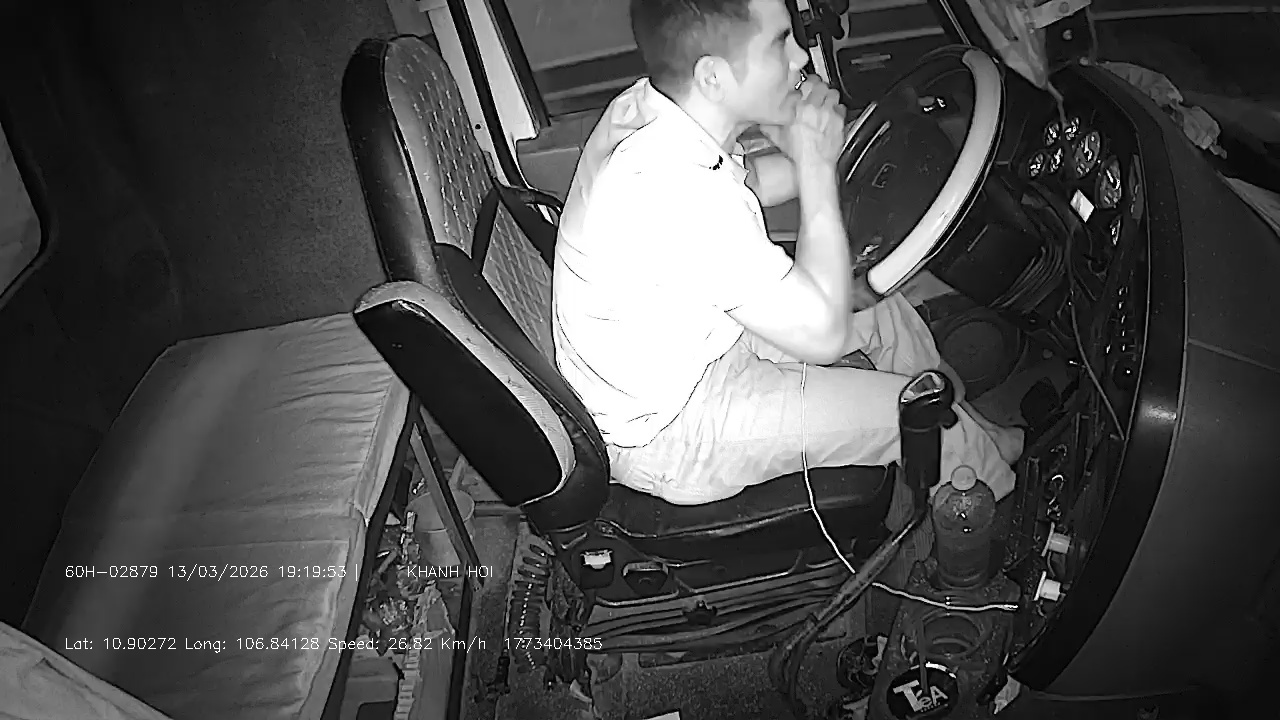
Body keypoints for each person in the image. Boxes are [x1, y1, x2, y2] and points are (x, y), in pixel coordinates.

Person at [551, 0, 1023, 506]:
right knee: (902, 410)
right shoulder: (672, 191)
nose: (799, 56)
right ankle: (997, 509)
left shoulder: (653, 111)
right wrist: (816, 166)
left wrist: (818, 148)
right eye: (779, 42)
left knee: (882, 310)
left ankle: (974, 436)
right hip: (669, 427)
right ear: (713, 77)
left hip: (688, 342)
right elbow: (825, 335)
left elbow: (751, 181)